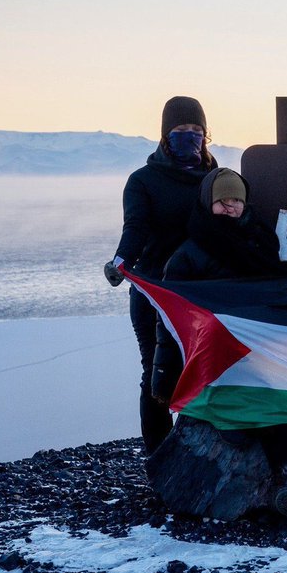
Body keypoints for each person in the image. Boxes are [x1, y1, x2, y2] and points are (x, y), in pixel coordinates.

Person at [148, 168, 287, 528]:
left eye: (236, 200)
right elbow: (170, 322)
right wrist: (163, 376)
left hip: (265, 352)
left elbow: (283, 285)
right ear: (207, 203)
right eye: (221, 201)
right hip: (219, 365)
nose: (230, 207)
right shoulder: (187, 256)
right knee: (264, 404)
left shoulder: (264, 241)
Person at [104, 96, 217, 454]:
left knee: (204, 372)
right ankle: (157, 455)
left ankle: (198, 454)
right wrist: (121, 260)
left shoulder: (216, 179)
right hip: (154, 291)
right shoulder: (144, 180)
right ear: (166, 135)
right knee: (156, 374)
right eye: (181, 130)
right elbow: (135, 227)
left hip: (203, 292)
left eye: (197, 131)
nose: (190, 137)